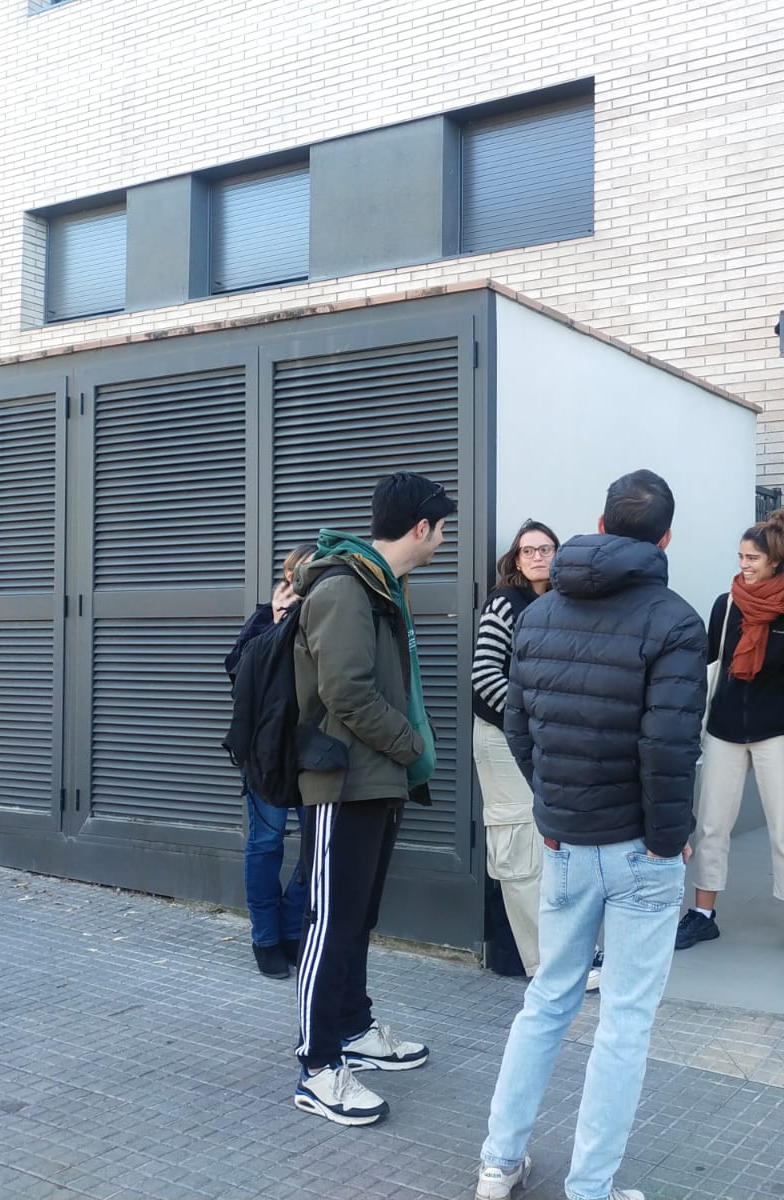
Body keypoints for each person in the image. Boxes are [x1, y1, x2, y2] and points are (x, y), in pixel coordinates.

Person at [475, 469, 706, 1200]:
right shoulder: (675, 620)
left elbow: (517, 722)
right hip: (641, 849)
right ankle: (590, 1189)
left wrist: (551, 809)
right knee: (625, 1025)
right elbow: (669, 746)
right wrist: (670, 839)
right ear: (665, 539)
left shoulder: (540, 615)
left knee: (546, 1001)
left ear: (600, 525)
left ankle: (497, 1163)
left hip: (569, 841)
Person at [289, 472, 455, 1127]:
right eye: (442, 526)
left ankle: (353, 1027)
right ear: (421, 527)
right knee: (329, 923)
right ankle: (317, 1066)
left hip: (376, 780)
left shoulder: (383, 586)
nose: (444, 536)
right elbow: (347, 694)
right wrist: (412, 745)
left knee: (357, 917)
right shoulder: (344, 589)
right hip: (343, 782)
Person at [676, 507, 784, 961]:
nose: (744, 565)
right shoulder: (726, 606)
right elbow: (706, 669)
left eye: (753, 559)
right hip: (722, 730)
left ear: (776, 561)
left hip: (776, 732)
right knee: (711, 827)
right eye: (741, 556)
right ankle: (703, 916)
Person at [472, 519, 602, 987]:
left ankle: (569, 952)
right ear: (516, 559)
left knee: (553, 846)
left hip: (544, 740)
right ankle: (546, 965)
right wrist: (528, 718)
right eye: (528, 551)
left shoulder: (566, 604)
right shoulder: (506, 603)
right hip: (503, 738)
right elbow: (484, 673)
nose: (538, 557)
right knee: (519, 850)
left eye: (546, 549)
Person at [226, 542, 316, 980]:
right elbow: (236, 671)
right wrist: (276, 623)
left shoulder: (329, 617)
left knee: (315, 851)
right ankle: (265, 938)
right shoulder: (267, 615)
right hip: (266, 753)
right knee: (266, 844)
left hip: (315, 751)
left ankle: (289, 927)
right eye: (297, 573)